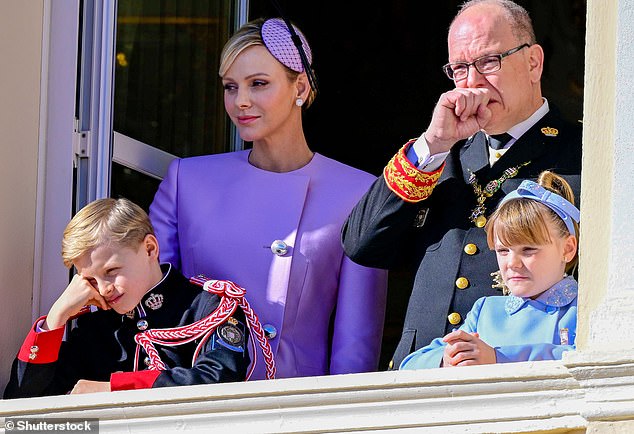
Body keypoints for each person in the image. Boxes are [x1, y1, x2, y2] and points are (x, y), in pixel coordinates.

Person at [342, 0, 582, 369]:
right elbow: (362, 245)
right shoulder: (440, 155)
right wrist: (432, 145)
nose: (471, 83)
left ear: (534, 62)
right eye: (459, 69)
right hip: (425, 375)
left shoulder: (584, 153)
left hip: (527, 378)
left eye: (489, 62)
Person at [149, 17, 388, 380]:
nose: (240, 101)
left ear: (301, 88)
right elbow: (152, 305)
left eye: (258, 84)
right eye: (231, 87)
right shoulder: (188, 181)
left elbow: (355, 346)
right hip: (196, 399)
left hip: (293, 407)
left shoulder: (358, 192)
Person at [4, 198, 250, 398]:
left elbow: (221, 381)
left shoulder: (209, 308)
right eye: (90, 280)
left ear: (150, 249)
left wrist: (113, 388)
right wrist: (56, 318)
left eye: (111, 271)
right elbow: (22, 402)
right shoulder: (95, 326)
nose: (104, 289)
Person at [400, 171, 579, 369]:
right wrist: (448, 358)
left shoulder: (585, 308)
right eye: (502, 250)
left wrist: (498, 357)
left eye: (528, 250)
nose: (512, 263)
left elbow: (588, 357)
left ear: (568, 248)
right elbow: (409, 365)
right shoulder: (486, 310)